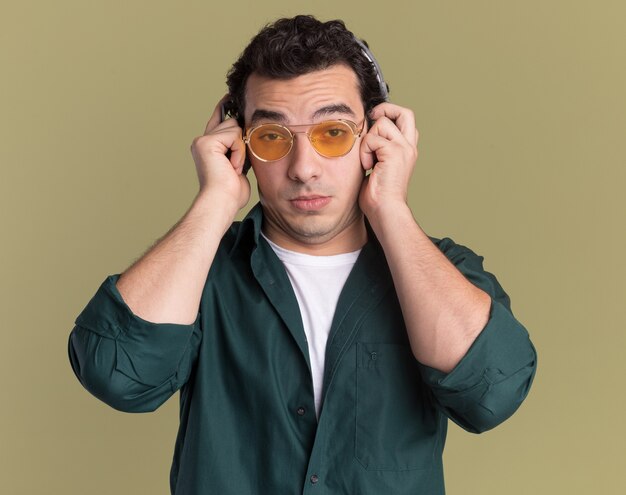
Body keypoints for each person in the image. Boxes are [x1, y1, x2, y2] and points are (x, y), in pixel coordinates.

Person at [68, 15, 537, 495]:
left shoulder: (441, 271)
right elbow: (117, 375)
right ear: (241, 145)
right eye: (273, 138)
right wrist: (214, 201)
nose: (303, 169)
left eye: (331, 133)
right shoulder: (200, 272)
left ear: (376, 136)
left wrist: (390, 207)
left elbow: (491, 395)